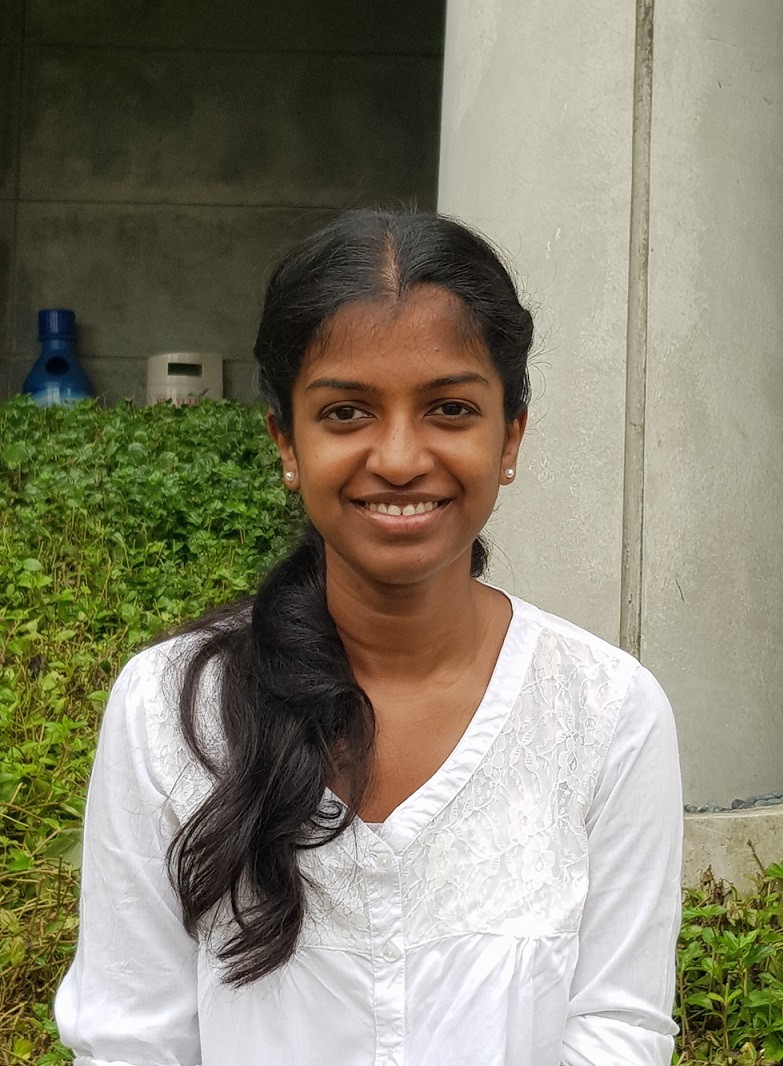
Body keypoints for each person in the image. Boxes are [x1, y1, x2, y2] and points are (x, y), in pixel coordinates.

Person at [55, 210, 683, 1065]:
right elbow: (131, 1042)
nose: (397, 457)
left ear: (510, 436)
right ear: (286, 440)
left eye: (450, 408)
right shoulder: (170, 710)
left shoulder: (607, 714)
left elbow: (619, 1029)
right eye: (346, 411)